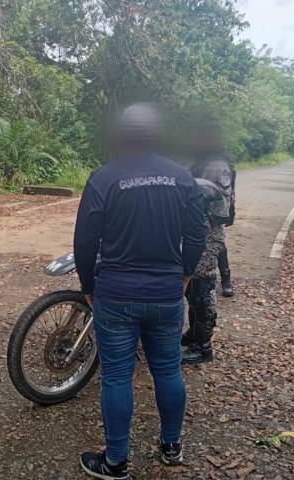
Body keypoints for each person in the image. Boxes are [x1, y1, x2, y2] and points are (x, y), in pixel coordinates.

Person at [74, 104, 207, 479]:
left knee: (116, 376)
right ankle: (171, 446)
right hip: (166, 294)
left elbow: (85, 240)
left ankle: (116, 462)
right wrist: (183, 275)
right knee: (168, 370)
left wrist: (88, 286)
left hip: (115, 295)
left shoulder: (103, 178)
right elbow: (197, 234)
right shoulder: (181, 178)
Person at [181, 121, 236, 364]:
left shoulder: (216, 164)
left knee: (202, 287)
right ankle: (194, 334)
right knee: (191, 286)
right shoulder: (201, 160)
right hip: (193, 231)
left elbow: (220, 206)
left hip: (206, 232)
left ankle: (203, 346)